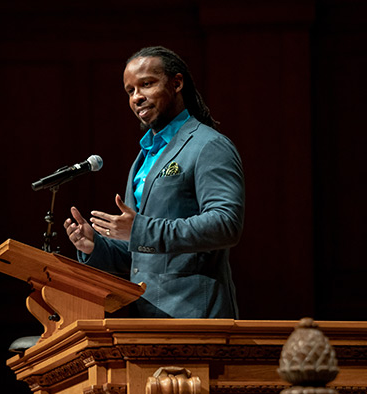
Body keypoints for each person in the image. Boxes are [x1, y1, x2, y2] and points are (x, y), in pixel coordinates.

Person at [63, 46, 245, 318]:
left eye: (146, 84)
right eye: (130, 91)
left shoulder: (209, 145)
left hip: (195, 314)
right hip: (146, 316)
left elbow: (225, 224)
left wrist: (139, 230)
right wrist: (95, 246)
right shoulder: (144, 157)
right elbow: (140, 251)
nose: (137, 97)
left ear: (177, 83)